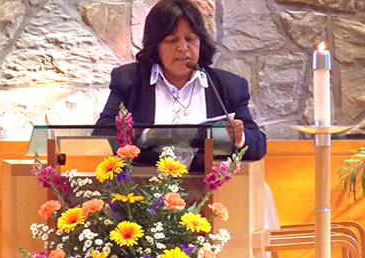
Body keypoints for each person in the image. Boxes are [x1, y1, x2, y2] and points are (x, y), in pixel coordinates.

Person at [94, 0, 266, 161]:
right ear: (156, 46)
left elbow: (259, 143)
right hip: (143, 186)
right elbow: (102, 133)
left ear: (200, 42)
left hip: (212, 187)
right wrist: (146, 136)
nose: (183, 48)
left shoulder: (228, 86)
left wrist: (239, 137)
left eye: (190, 39)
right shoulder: (129, 81)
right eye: (172, 40)